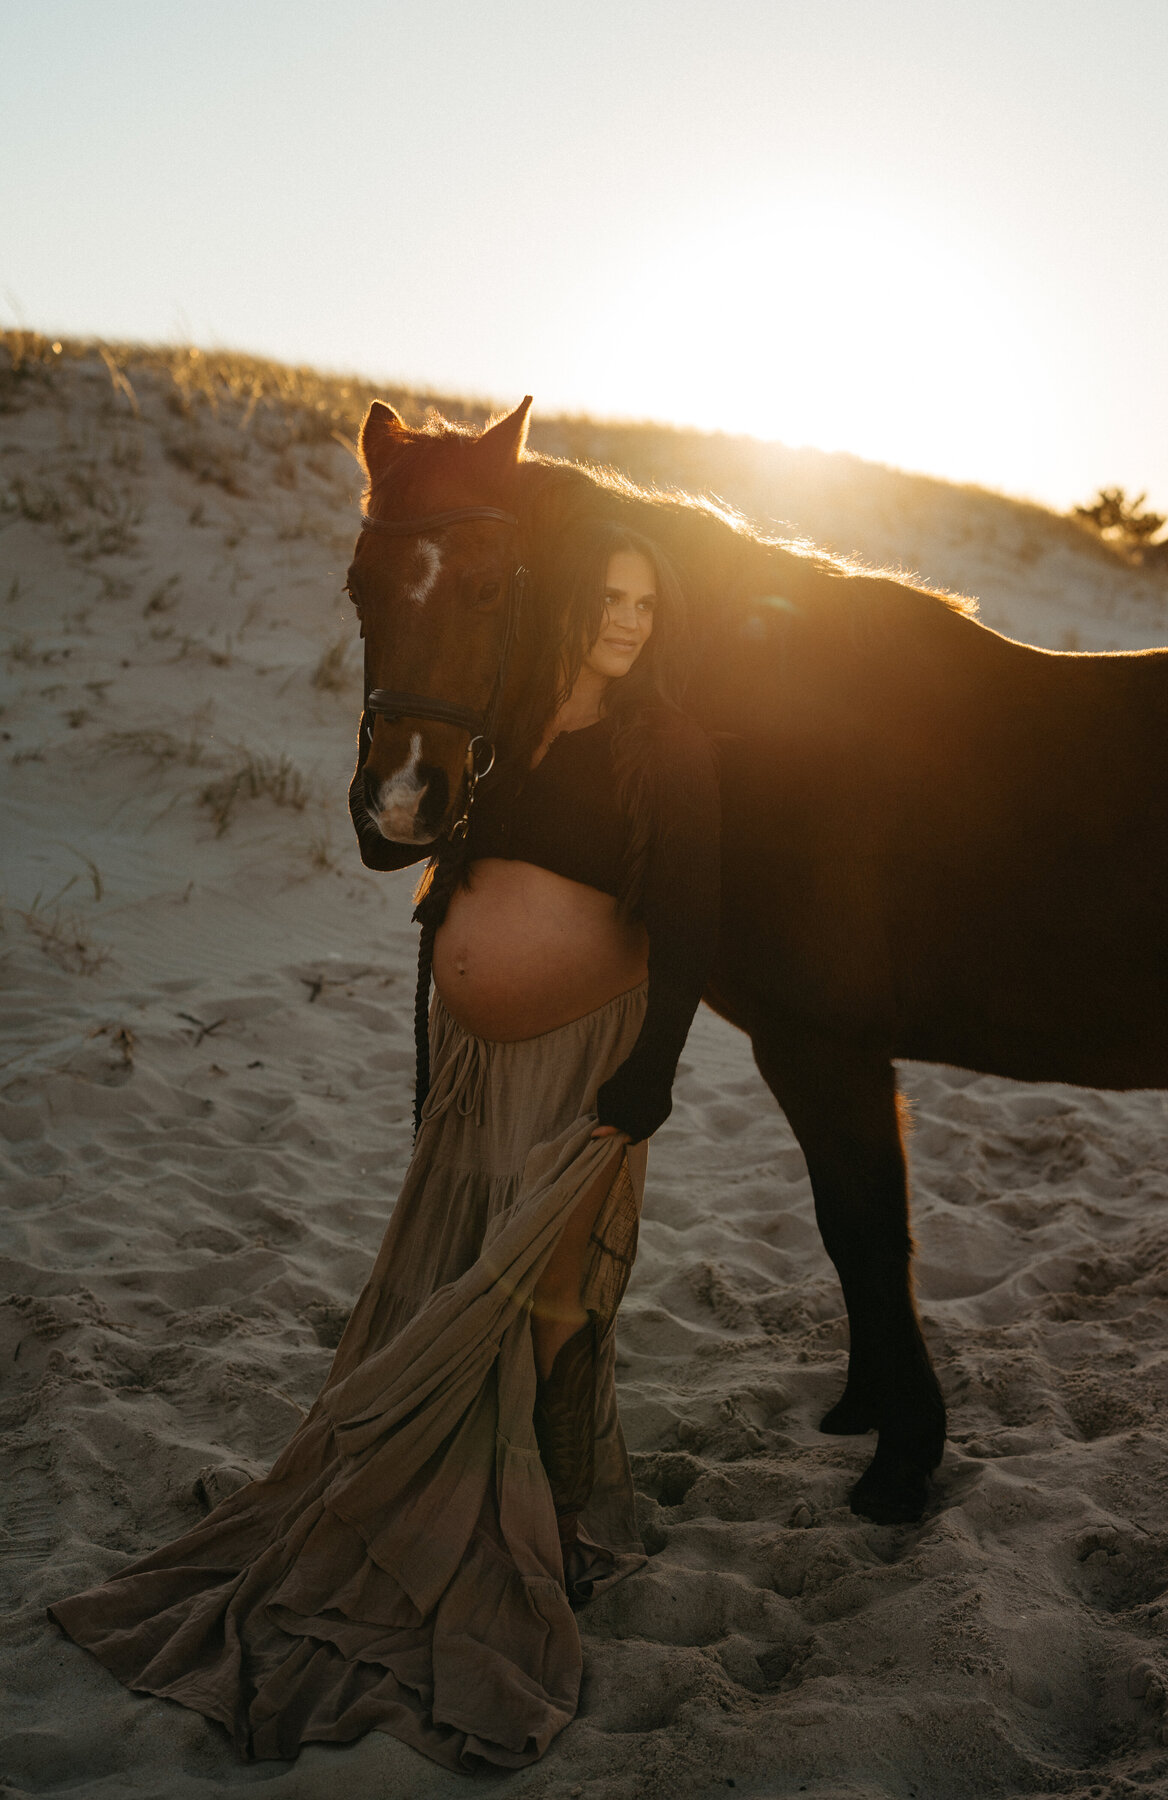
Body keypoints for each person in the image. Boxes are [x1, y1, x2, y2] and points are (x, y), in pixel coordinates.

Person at [48, 522, 721, 1773]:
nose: (629, 622)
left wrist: (654, 1075)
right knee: (449, 1281)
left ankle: (554, 1518)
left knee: (553, 1298)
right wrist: (393, 752)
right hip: (475, 1070)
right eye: (611, 598)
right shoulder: (504, 723)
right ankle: (468, 1508)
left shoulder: (662, 749)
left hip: (587, 1063)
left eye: (648, 603)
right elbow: (388, 844)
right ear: (571, 604)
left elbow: (692, 922)